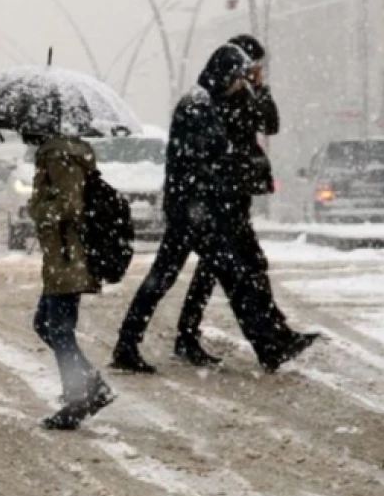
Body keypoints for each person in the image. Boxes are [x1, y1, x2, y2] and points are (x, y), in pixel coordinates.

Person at [111, 44, 320, 374]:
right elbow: (202, 161)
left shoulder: (204, 101)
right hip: (194, 211)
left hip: (195, 209)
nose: (241, 84)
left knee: (197, 277)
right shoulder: (198, 106)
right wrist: (217, 186)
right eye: (237, 77)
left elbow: (228, 145)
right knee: (216, 277)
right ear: (223, 74)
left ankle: (266, 345)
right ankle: (265, 345)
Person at [174, 35, 279, 366]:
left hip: (236, 190)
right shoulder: (218, 96)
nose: (256, 71)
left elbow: (271, 125)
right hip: (223, 192)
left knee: (220, 267)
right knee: (238, 265)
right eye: (253, 66)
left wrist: (260, 89)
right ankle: (270, 338)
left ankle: (269, 337)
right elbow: (221, 142)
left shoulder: (245, 93)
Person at [27, 128, 115, 430]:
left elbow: (70, 205)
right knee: (46, 325)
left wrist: (38, 209)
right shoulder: (60, 153)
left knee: (59, 330)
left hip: (68, 256)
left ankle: (80, 397)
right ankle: (89, 386)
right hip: (63, 258)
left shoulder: (58, 156)